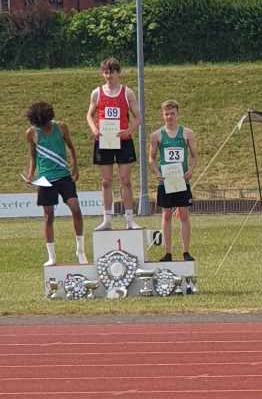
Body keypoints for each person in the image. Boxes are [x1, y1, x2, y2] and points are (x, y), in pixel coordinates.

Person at [24, 100, 87, 267]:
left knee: (76, 209)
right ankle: (51, 256)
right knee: (49, 216)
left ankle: (80, 251)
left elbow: (71, 148)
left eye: (45, 123)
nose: (43, 127)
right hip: (45, 179)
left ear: (49, 118)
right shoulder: (32, 133)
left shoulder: (61, 127)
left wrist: (75, 167)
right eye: (40, 125)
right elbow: (33, 156)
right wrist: (30, 175)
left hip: (64, 176)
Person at [85, 57, 139, 228]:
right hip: (104, 140)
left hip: (123, 140)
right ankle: (107, 219)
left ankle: (129, 220)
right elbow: (89, 115)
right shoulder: (97, 93)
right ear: (103, 73)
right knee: (106, 181)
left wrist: (128, 131)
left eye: (112, 72)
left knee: (125, 180)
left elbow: (138, 117)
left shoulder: (127, 93)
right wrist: (94, 129)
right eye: (106, 72)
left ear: (118, 73)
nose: (109, 76)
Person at [147, 99, 197, 262]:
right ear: (163, 115)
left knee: (184, 215)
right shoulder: (156, 135)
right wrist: (157, 173)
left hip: (182, 180)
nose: (169, 117)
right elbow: (151, 158)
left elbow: (194, 156)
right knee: (166, 215)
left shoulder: (187, 133)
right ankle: (168, 253)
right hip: (165, 181)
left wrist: (190, 170)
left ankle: (186, 252)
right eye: (166, 114)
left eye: (172, 114)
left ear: (178, 114)